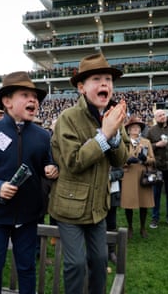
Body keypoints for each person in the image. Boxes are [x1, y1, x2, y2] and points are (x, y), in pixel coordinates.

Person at [0, 71, 59, 294]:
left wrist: (51, 168)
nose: (33, 100)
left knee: (27, 267)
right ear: (7, 102)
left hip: (28, 216)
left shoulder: (42, 135)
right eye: (25, 95)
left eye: (35, 97)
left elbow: (47, 163)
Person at [49, 53, 128, 294]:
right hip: (69, 206)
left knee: (100, 260)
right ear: (82, 87)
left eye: (108, 79)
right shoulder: (68, 118)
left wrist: (114, 135)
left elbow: (121, 159)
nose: (105, 83)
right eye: (97, 79)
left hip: (98, 207)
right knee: (75, 264)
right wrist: (103, 136)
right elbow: (73, 162)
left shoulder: (115, 116)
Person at [145, 109, 168, 229]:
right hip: (158, 167)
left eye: (163, 114)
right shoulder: (151, 131)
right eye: (159, 115)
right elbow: (145, 146)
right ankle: (155, 218)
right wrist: (156, 145)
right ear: (155, 118)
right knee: (156, 193)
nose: (162, 117)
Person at [121, 116, 155, 240]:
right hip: (129, 174)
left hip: (142, 175)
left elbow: (152, 159)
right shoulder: (123, 143)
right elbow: (118, 160)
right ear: (128, 130)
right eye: (133, 127)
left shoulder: (146, 142)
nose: (135, 129)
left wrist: (145, 159)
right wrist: (127, 161)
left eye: (138, 127)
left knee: (144, 202)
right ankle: (130, 226)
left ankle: (142, 227)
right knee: (129, 203)